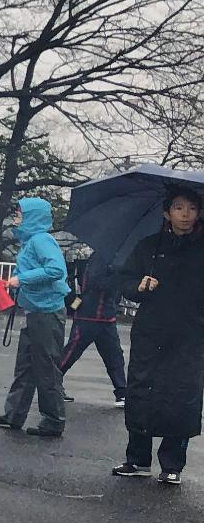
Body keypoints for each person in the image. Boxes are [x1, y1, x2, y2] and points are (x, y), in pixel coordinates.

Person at [113, 184, 204, 483]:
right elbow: (124, 280)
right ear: (167, 213)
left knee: (182, 397)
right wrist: (138, 286)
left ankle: (172, 464)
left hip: (191, 335)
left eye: (192, 208)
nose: (186, 214)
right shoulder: (148, 247)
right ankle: (137, 459)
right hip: (151, 333)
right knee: (141, 392)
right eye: (179, 208)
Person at [0, 197, 70, 439]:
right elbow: (32, 269)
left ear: (32, 217)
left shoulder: (40, 240)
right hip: (37, 310)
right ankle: (14, 414)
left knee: (45, 366)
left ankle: (53, 420)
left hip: (47, 311)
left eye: (20, 215)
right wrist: (14, 281)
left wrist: (20, 280)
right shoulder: (31, 241)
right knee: (27, 365)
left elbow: (56, 270)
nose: (16, 219)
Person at [59, 252, 129, 407]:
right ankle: (51, 383)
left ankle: (122, 392)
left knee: (115, 355)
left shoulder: (113, 260)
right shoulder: (100, 258)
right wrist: (118, 277)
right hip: (88, 315)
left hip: (106, 315)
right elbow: (96, 282)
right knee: (71, 352)